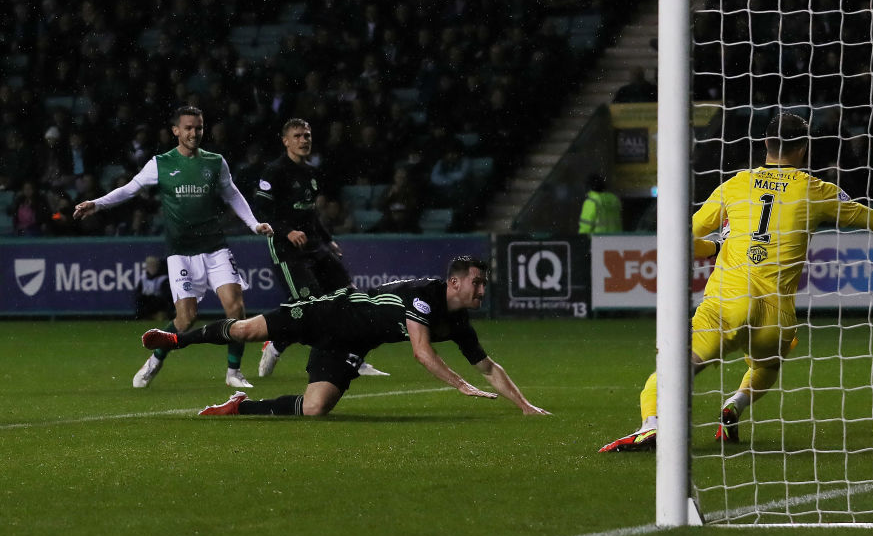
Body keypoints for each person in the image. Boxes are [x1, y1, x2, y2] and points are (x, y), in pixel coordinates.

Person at [599, 113, 873, 452]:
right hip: (774, 317)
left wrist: (716, 245)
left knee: (675, 365)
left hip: (726, 303)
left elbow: (682, 237)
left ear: (766, 142)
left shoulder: (735, 184)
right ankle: (735, 404)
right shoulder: (817, 190)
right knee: (767, 367)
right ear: (804, 148)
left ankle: (651, 426)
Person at [141, 256, 550, 418]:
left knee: (316, 409)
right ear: (454, 282)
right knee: (247, 329)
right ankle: (177, 341)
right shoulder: (426, 298)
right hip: (328, 311)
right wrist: (460, 385)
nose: (482, 290)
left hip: (350, 342)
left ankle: (238, 408)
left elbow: (489, 367)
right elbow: (422, 354)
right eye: (476, 283)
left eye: (484, 284)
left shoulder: (459, 323)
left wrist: (527, 407)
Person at [74, 105, 274, 388]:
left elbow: (233, 195)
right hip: (181, 252)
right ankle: (155, 359)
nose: (194, 133)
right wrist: (97, 203)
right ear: (176, 131)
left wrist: (254, 224)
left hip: (215, 247)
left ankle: (233, 372)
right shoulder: (160, 163)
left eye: (199, 127)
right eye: (189, 128)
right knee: (185, 319)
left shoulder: (216, 162)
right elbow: (130, 189)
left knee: (236, 308)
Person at [253, 118, 387, 378]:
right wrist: (287, 231)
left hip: (314, 246)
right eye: (298, 136)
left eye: (307, 135)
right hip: (286, 249)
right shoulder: (275, 171)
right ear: (285, 141)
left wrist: (327, 239)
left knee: (349, 296)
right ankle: (280, 343)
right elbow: (261, 209)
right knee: (312, 306)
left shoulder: (311, 172)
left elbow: (311, 213)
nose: (304, 140)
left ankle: (350, 355)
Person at [135, 255, 173, 320]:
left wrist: (153, 299)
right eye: (149, 266)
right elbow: (137, 295)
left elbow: (167, 298)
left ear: (157, 267)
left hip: (159, 308)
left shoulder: (163, 279)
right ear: (146, 267)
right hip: (146, 309)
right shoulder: (143, 279)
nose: (151, 268)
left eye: (153, 266)